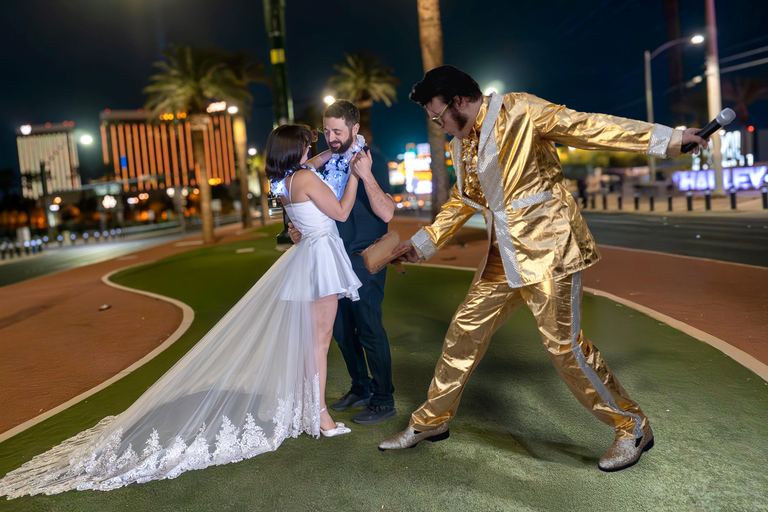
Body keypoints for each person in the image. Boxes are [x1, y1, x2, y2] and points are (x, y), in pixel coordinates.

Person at [0, 124, 366, 499]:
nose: (313, 148)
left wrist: (338, 156)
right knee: (319, 344)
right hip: (321, 257)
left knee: (311, 343)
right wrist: (355, 174)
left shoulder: (284, 182)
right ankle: (319, 417)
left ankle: (312, 411)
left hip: (307, 260)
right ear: (297, 149)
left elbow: (313, 170)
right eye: (308, 144)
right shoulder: (305, 177)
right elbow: (339, 211)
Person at [378, 65, 707, 472]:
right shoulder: (459, 145)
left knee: (565, 347)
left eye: (438, 114)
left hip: (550, 250)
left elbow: (589, 127)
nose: (439, 124)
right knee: (462, 333)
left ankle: (633, 426)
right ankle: (431, 421)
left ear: (459, 100)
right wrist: (422, 245)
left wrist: (670, 139)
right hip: (503, 256)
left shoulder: (521, 110)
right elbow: (464, 201)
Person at [289, 100, 397, 425]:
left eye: (337, 131)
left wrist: (365, 177)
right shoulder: (322, 166)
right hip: (332, 259)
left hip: (366, 257)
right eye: (326, 130)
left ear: (355, 129)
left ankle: (383, 398)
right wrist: (298, 230)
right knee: (340, 332)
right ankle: (360, 386)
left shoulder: (370, 159)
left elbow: (388, 212)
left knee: (367, 326)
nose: (331, 137)